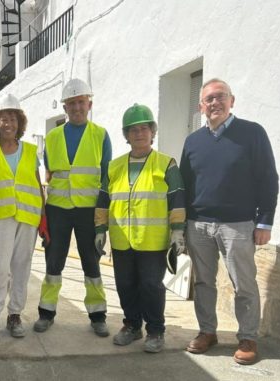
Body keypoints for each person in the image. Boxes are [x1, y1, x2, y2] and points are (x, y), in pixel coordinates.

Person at [181, 78, 278, 365]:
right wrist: (182, 225)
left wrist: (265, 222)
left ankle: (248, 338)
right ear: (201, 106)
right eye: (209, 99)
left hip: (238, 224)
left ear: (231, 101)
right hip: (198, 224)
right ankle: (207, 332)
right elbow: (186, 184)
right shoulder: (193, 141)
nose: (214, 103)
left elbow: (268, 179)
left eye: (220, 97)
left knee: (244, 283)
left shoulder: (252, 133)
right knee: (203, 284)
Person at [94, 104, 186, 353]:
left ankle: (156, 331)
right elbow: (103, 200)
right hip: (122, 240)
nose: (139, 134)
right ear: (126, 135)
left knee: (151, 286)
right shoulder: (114, 167)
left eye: (144, 128)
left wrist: (178, 231)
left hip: (153, 241)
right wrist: (100, 230)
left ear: (152, 131)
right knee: (125, 284)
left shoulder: (166, 164)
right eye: (133, 130)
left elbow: (177, 198)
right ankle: (132, 326)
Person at [34, 78, 112, 337]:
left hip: (88, 209)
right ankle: (46, 312)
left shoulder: (100, 135)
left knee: (91, 261)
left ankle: (98, 315)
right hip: (57, 209)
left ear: (89, 104)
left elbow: (106, 178)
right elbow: (49, 175)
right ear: (65, 108)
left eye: (81, 102)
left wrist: (102, 217)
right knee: (53, 261)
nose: (77, 107)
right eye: (72, 103)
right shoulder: (53, 137)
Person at [0, 94, 47, 339]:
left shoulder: (30, 152)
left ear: (20, 123)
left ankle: (15, 315)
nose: (8, 123)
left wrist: (43, 218)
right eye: (4, 118)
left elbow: (38, 187)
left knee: (21, 268)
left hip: (28, 218)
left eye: (13, 118)